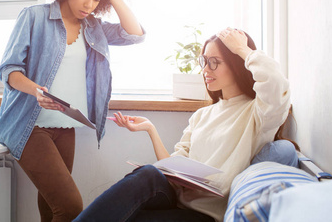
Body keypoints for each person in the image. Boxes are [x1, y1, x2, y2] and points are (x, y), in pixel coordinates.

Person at [73, 28, 295, 222]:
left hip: (203, 215)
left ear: (237, 64)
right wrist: (151, 129)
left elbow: (276, 83)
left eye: (214, 62)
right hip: (175, 199)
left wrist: (243, 49)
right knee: (148, 174)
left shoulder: (258, 113)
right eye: (204, 61)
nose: (206, 70)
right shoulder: (201, 115)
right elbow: (173, 167)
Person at [0, 0, 145, 222]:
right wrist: (36, 90)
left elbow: (135, 35)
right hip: (30, 125)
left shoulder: (94, 28)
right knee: (71, 206)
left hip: (65, 127)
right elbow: (9, 70)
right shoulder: (34, 17)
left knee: (52, 208)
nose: (90, 4)